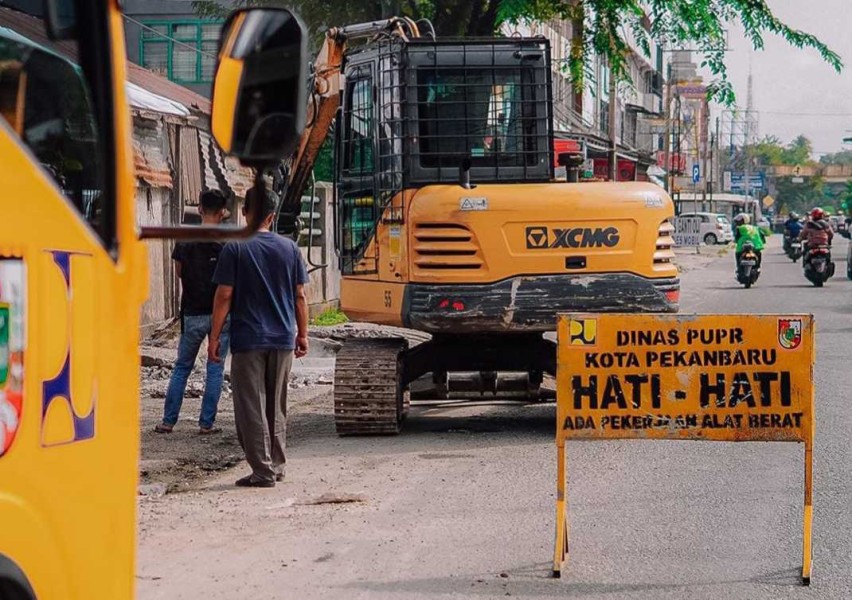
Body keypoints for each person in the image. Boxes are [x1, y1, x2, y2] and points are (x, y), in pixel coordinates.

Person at [209, 188, 309, 488]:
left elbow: (224, 295)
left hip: (249, 340)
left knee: (251, 406)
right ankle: (276, 466)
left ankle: (262, 471)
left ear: (244, 212)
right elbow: (300, 296)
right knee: (276, 406)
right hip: (282, 340)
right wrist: (302, 334)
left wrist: (214, 337)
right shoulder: (290, 249)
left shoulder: (235, 248)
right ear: (272, 216)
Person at [156, 190, 231, 434]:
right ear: (223, 212)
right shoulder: (227, 243)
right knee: (215, 368)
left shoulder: (185, 238)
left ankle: (168, 422)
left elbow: (179, 272)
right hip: (221, 315)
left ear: (199, 209)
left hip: (192, 312)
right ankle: (206, 424)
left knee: (182, 367)